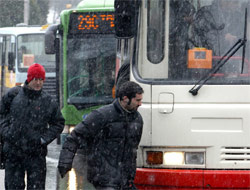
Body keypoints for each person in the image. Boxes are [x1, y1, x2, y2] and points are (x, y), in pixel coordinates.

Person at [58, 81, 144, 190]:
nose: (140, 104)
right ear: (125, 98)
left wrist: (130, 175)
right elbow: (75, 136)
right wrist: (65, 161)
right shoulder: (102, 115)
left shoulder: (137, 119)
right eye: (137, 100)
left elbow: (133, 149)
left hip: (125, 180)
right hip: (104, 177)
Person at [0, 63, 65, 190]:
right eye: (36, 79)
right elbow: (1, 114)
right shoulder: (13, 95)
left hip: (36, 154)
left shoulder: (48, 101)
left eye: (41, 80)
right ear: (29, 79)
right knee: (13, 186)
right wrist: (6, 132)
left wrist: (43, 139)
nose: (38, 83)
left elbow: (58, 123)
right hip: (14, 153)